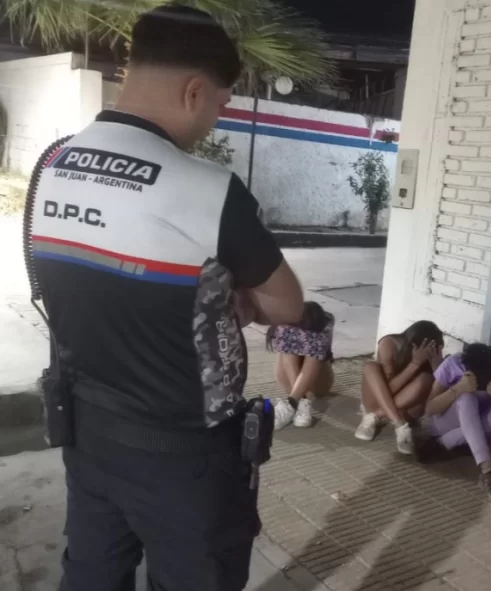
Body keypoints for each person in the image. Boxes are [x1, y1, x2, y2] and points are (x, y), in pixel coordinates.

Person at [29, 5, 304, 591]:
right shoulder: (208, 190)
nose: (214, 121)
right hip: (186, 461)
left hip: (87, 436)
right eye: (219, 105)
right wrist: (227, 297)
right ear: (193, 91)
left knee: (92, 577)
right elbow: (287, 306)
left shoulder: (52, 164)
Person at [418, 343, 491, 504]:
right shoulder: (453, 363)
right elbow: (430, 409)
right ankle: (488, 470)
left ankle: (444, 444)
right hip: (445, 422)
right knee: (467, 398)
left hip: (475, 424)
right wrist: (458, 389)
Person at [355, 320, 444, 454]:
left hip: (407, 411)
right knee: (370, 367)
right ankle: (400, 426)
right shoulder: (389, 343)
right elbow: (388, 390)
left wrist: (438, 371)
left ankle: (375, 417)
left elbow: (435, 400)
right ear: (414, 344)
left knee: (426, 378)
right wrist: (415, 364)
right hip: (378, 402)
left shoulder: (433, 357)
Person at [267, 301, 335, 430]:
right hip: (290, 381)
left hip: (318, 380)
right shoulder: (284, 322)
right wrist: (300, 397)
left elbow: (315, 348)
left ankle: (292, 403)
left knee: (314, 351)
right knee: (287, 348)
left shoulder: (324, 321)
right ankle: (298, 401)